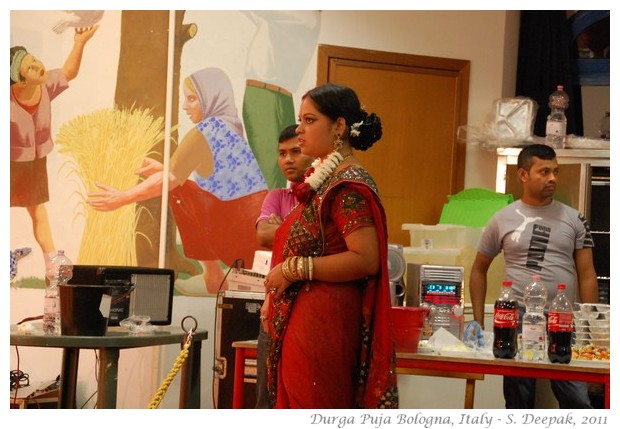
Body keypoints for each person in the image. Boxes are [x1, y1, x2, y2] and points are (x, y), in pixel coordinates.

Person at [261, 83, 398, 409]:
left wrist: (293, 269)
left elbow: (366, 259)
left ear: (339, 126)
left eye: (309, 120)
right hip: (303, 317)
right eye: (300, 120)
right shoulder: (325, 177)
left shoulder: (348, 185)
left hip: (323, 324)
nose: (299, 129)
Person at [88, 67, 268, 294]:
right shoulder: (229, 126)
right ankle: (219, 277)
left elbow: (170, 181)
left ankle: (213, 276)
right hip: (254, 233)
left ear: (210, 98)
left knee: (177, 190)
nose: (185, 106)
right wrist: (167, 171)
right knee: (180, 184)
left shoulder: (203, 131)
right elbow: (219, 180)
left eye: (192, 98)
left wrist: (123, 197)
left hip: (236, 233)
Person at [469, 143, 598, 409]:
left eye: (556, 171)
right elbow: (478, 269)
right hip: (515, 318)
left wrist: (590, 329)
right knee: (518, 399)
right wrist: (479, 323)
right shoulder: (501, 219)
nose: (553, 178)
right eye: (544, 171)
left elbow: (587, 275)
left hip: (562, 317)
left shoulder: (575, 219)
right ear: (523, 175)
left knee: (576, 399)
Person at [10, 26, 99, 272]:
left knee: (38, 211)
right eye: (29, 67)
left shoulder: (45, 85)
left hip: (34, 161)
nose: (38, 66)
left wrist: (80, 42)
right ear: (19, 79)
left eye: (35, 60)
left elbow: (69, 72)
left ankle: (51, 262)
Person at [254, 124, 314, 408]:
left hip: (310, 308)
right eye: (282, 153)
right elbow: (262, 233)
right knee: (267, 397)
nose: (288, 159)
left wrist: (282, 226)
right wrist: (292, 230)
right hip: (274, 303)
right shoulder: (277, 197)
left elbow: (306, 239)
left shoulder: (321, 196)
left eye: (295, 151)